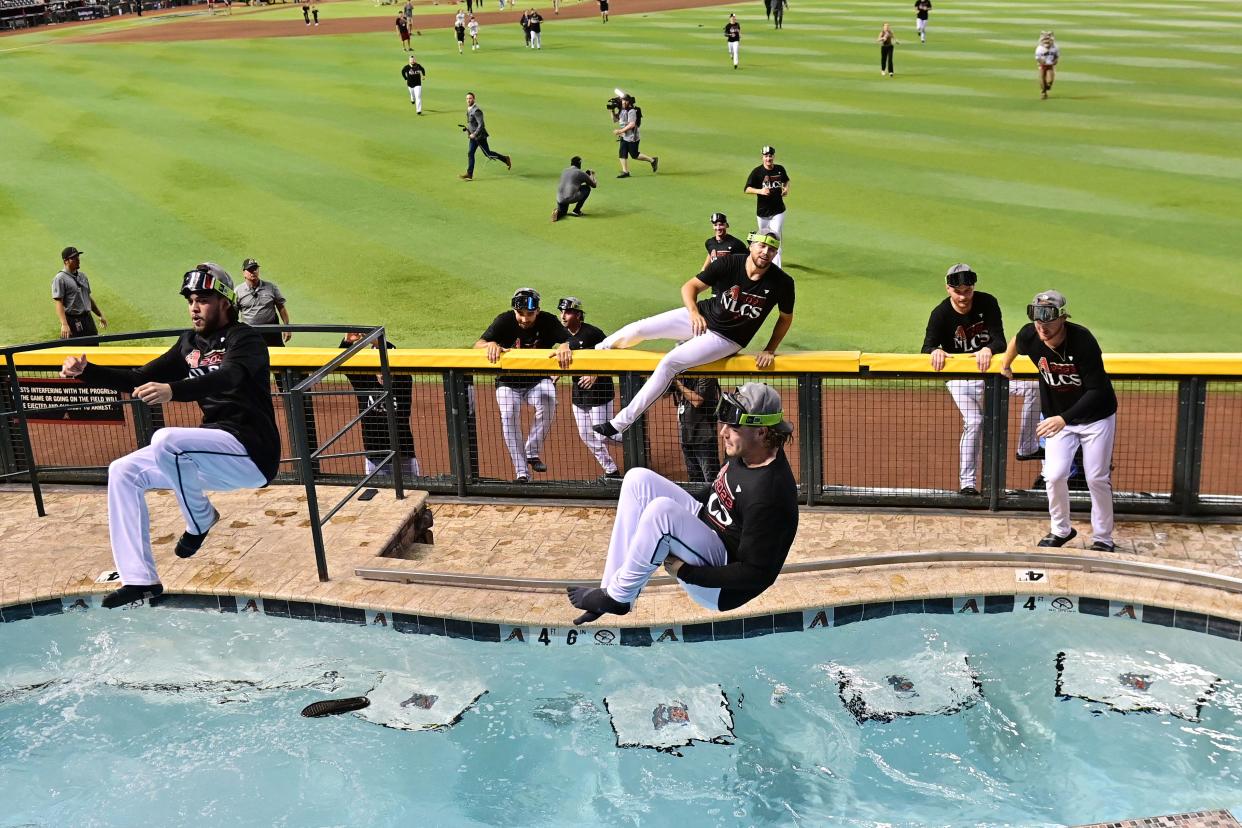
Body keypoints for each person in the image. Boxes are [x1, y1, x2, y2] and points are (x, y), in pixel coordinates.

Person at [58, 263, 281, 609]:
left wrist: (173, 390)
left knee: (166, 441)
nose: (194, 306)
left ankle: (200, 520)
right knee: (123, 471)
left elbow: (231, 378)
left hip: (251, 451)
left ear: (225, 302)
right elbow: (139, 378)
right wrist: (87, 372)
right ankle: (139, 579)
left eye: (203, 299)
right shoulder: (188, 343)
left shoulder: (245, 339)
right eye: (190, 299)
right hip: (208, 455)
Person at [568, 382, 798, 625]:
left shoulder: (770, 492)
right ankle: (610, 590)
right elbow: (717, 492)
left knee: (661, 512)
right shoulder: (747, 450)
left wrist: (687, 572)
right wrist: (686, 512)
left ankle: (618, 597)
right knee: (638, 479)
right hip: (707, 536)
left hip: (720, 586)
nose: (724, 432)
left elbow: (757, 574)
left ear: (761, 432)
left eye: (733, 427)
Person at [592, 230, 794, 438]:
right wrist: (694, 312)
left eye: (771, 249)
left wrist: (770, 349)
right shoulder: (730, 263)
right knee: (639, 329)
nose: (765, 252)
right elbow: (690, 287)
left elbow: (785, 318)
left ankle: (619, 424)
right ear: (751, 245)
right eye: (762, 246)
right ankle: (596, 353)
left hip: (726, 338)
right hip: (702, 316)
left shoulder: (782, 282)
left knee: (670, 363)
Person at [1000, 290, 1117, 552]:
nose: (1042, 326)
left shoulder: (1082, 340)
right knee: (1053, 476)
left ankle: (1103, 538)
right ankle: (1061, 530)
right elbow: (1018, 341)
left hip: (1095, 418)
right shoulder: (1031, 334)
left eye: (1048, 319)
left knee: (1097, 478)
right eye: (1037, 319)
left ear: (1063, 317)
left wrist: (1063, 419)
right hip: (1058, 419)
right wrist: (1006, 363)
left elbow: (1096, 391)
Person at [921, 263, 1040, 496]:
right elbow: (926, 347)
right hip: (959, 379)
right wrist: (934, 351)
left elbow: (1000, 342)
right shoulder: (940, 314)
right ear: (948, 289)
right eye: (958, 291)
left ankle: (1027, 447)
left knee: (1034, 387)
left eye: (967, 290)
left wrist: (989, 348)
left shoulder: (988, 302)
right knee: (975, 421)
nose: (963, 296)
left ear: (973, 287)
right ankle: (967, 483)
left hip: (991, 373)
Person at [474, 288, 573, 482]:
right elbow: (478, 344)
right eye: (520, 314)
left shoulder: (548, 321)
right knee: (509, 414)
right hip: (507, 382)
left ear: (538, 310)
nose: (525, 319)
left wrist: (565, 345)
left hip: (538, 380)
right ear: (514, 311)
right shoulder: (504, 320)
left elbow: (570, 339)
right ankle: (522, 472)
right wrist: (490, 345)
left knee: (549, 400)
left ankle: (531, 451)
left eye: (530, 314)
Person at [339, 331, 421, 479]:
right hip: (374, 455)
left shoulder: (403, 381)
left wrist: (376, 342)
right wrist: (347, 342)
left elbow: (392, 353)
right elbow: (338, 362)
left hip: (403, 453)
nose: (383, 372)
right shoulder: (363, 380)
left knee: (412, 492)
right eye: (378, 365)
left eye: (387, 366)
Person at [558, 297, 621, 482]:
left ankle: (635, 441)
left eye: (567, 312)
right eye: (561, 311)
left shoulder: (592, 333)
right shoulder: (563, 335)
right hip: (579, 393)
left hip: (600, 392)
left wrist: (596, 373)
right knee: (586, 435)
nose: (563, 315)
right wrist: (555, 374)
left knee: (601, 434)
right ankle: (611, 470)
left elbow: (612, 356)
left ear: (578, 314)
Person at [668, 374, 721, 483]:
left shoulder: (706, 374)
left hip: (703, 435)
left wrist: (678, 384)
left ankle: (713, 499)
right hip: (686, 432)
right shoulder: (684, 374)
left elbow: (698, 400)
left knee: (710, 477)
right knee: (694, 477)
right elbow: (664, 395)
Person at [744, 146, 790, 267]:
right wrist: (760, 191)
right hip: (762, 212)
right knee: (762, 237)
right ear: (762, 157)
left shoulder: (780, 169)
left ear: (773, 156)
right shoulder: (757, 172)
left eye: (770, 156)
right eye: (766, 156)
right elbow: (747, 189)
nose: (768, 158)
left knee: (774, 237)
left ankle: (776, 268)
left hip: (778, 211)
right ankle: (763, 259)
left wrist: (786, 189)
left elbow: (786, 180)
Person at [52, 246, 107, 339]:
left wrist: (100, 315)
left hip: (88, 320)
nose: (78, 259)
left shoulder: (82, 276)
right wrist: (64, 324)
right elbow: (58, 303)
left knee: (93, 348)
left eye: (78, 256)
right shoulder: (60, 278)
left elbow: (87, 298)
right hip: (73, 321)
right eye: (74, 258)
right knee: (75, 352)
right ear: (66, 261)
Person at [234, 258, 291, 348]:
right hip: (250, 332)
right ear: (244, 273)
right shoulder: (238, 291)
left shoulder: (271, 287)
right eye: (250, 270)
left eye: (255, 269)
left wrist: (287, 327)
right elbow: (233, 315)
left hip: (272, 331)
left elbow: (281, 307)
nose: (253, 272)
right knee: (252, 357)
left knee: (277, 356)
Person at [461, 92, 512, 180]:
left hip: (480, 136)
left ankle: (506, 159)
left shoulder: (477, 110)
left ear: (474, 99)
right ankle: (469, 174)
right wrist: (468, 131)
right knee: (470, 153)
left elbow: (481, 125)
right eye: (467, 99)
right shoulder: (469, 109)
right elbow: (471, 123)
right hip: (473, 137)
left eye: (470, 98)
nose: (468, 100)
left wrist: (474, 134)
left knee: (488, 154)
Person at [612, 95, 657, 179]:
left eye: (625, 101)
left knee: (634, 155)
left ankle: (653, 160)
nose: (623, 102)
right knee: (622, 153)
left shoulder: (631, 111)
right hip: (624, 136)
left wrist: (620, 131)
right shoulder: (622, 110)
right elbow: (615, 120)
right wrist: (611, 110)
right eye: (622, 101)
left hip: (632, 136)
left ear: (629, 102)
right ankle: (625, 172)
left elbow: (632, 124)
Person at [551, 156, 597, 222]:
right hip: (570, 197)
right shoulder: (580, 173)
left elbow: (573, 181)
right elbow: (594, 185)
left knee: (563, 212)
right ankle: (576, 211)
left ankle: (557, 212)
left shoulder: (565, 171)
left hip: (559, 198)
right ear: (580, 163)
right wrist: (592, 175)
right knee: (587, 188)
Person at [1035, 31, 1059, 99]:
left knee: (1049, 82)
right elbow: (1037, 58)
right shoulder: (1039, 49)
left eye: (1048, 40)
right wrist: (1041, 61)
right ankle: (1043, 93)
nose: (1047, 41)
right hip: (1042, 66)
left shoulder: (1055, 48)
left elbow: (1057, 56)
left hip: (1050, 65)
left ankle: (1047, 87)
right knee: (1042, 79)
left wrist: (1055, 60)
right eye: (1045, 40)